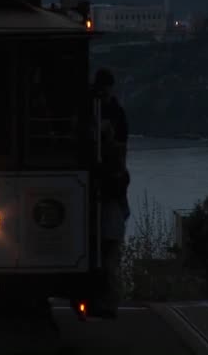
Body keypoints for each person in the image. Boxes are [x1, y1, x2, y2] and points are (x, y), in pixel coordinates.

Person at [92, 68, 131, 318]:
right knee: (107, 261)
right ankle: (106, 302)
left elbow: (120, 151)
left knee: (108, 260)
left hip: (109, 201)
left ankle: (109, 303)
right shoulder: (111, 111)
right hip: (110, 199)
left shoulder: (114, 113)